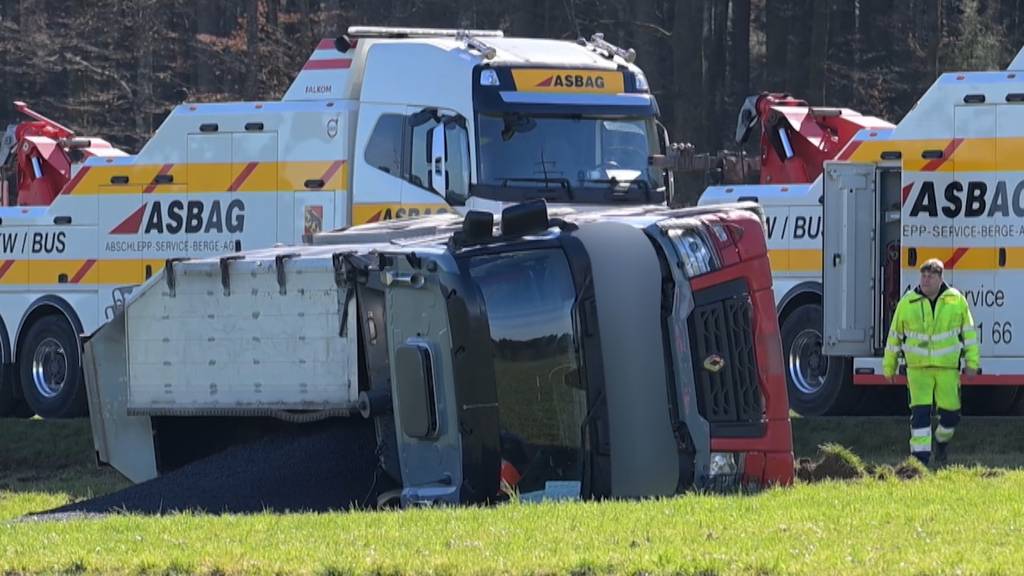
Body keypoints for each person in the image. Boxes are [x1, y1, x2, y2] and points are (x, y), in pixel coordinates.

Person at [882, 258, 980, 467]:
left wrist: (972, 362)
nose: (925, 280)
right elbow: (894, 337)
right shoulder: (907, 302)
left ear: (940, 278)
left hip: (947, 369)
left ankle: (941, 443)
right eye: (923, 276)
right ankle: (920, 462)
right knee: (920, 417)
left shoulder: (956, 301)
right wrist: (888, 366)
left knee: (951, 416)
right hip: (917, 370)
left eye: (931, 276)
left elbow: (969, 334)